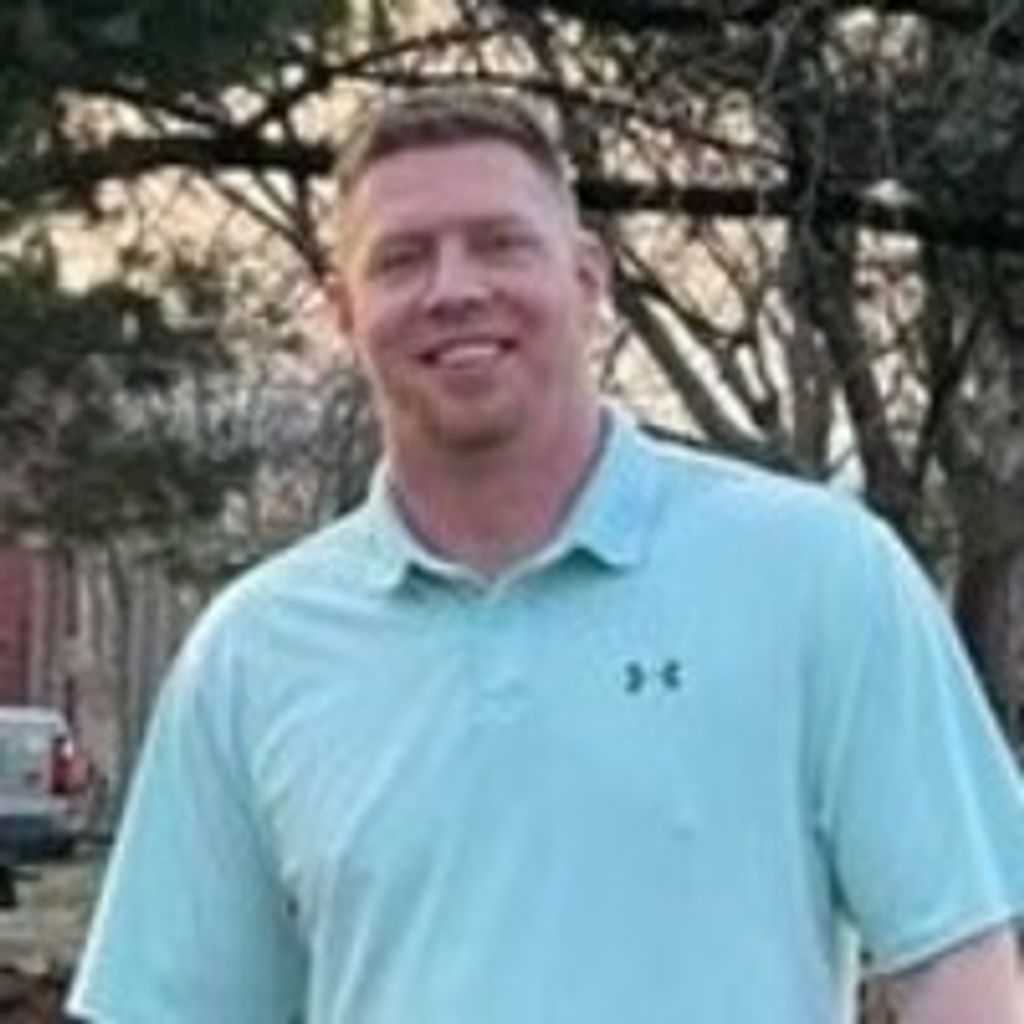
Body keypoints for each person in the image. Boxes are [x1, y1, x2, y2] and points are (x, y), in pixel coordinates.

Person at [69, 89, 1024, 1024]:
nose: (454, 289)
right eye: (402, 258)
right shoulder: (253, 654)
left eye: (500, 244)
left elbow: (961, 970)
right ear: (343, 310)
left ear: (588, 278)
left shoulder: (818, 576)